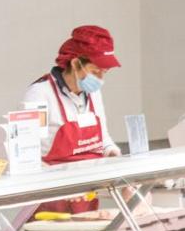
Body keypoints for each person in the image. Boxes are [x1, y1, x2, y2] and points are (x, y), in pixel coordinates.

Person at [22, 25, 123, 165]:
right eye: (95, 71)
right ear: (75, 64)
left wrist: (111, 151)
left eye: (104, 72)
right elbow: (27, 152)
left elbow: (103, 138)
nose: (100, 79)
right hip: (55, 178)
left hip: (92, 176)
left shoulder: (94, 92)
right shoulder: (40, 94)